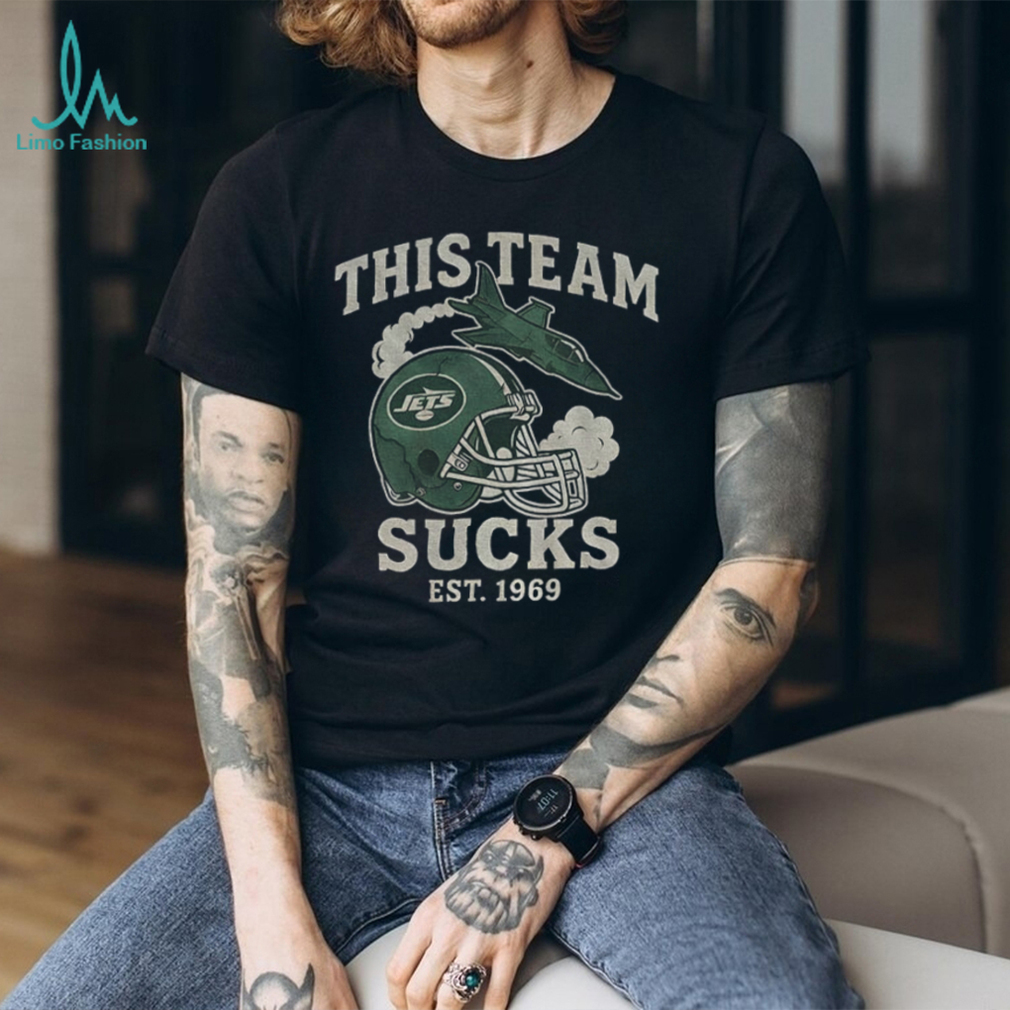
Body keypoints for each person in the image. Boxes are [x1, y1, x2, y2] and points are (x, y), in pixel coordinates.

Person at [2, 1, 869, 1008]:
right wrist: (271, 913)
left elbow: (774, 568)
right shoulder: (276, 192)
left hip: (622, 785)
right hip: (331, 785)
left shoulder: (739, 181)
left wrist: (546, 826)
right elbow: (234, 578)